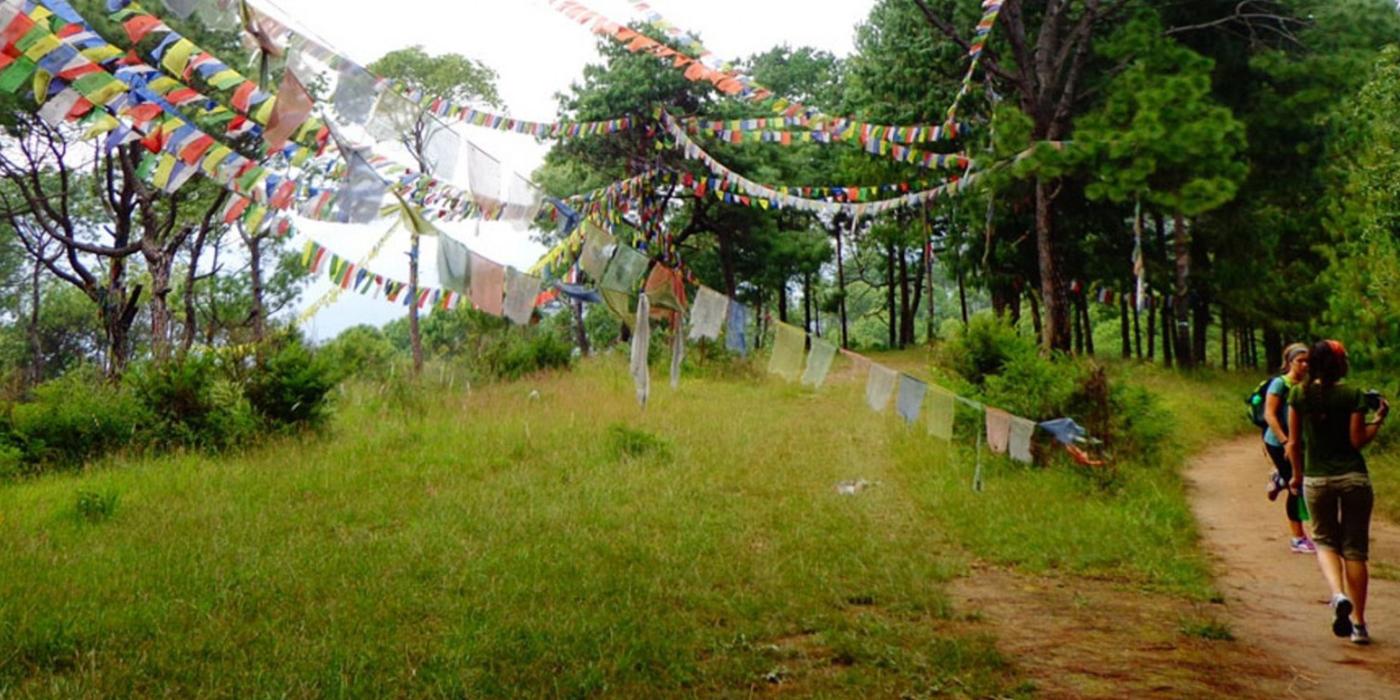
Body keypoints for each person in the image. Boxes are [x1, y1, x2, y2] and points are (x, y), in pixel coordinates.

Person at [1287, 339, 1387, 645]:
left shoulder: (1298, 393)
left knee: (1326, 542)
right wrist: (1378, 421)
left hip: (1317, 480)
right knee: (1355, 549)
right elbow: (1357, 441)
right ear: (1340, 363)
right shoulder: (1352, 394)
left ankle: (1338, 594)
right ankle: (1358, 623)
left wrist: (1296, 476)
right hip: (1354, 478)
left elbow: (1293, 442)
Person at [1262, 343, 1314, 554]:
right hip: (1278, 442)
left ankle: (1280, 478)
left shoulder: (1310, 384)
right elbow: (1270, 414)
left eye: (1307, 361)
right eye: (1299, 360)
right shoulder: (1279, 384)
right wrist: (1285, 441)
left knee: (1304, 479)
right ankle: (1297, 537)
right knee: (1297, 486)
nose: (1304, 365)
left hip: (1301, 443)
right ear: (1289, 362)